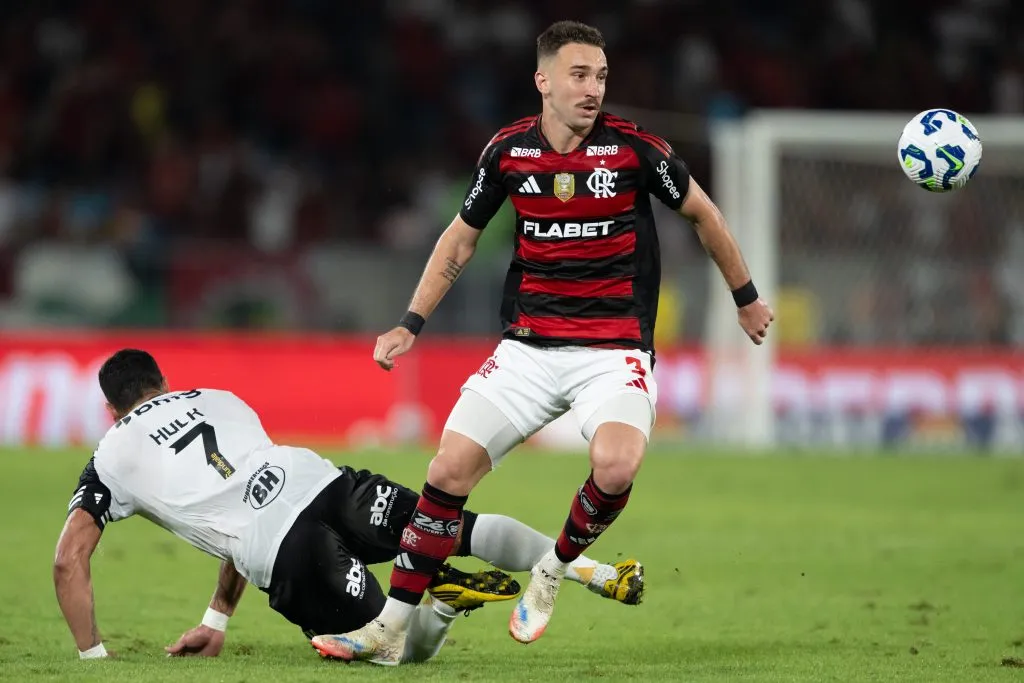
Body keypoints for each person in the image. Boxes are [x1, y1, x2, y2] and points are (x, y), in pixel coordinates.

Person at [311, 19, 774, 664]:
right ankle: (388, 627)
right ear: (544, 81)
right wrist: (409, 323)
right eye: (579, 75)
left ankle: (553, 568)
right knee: (446, 472)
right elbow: (460, 239)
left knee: (617, 466)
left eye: (601, 76)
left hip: (612, 353)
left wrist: (745, 297)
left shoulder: (636, 150)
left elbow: (704, 214)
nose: (593, 89)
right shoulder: (508, 153)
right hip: (527, 351)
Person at [54, 349, 645, 663]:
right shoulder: (217, 398)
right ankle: (595, 571)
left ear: (112, 409)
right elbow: (247, 481)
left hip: (283, 547)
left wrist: (94, 658)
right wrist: (215, 620)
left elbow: (68, 560)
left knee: (389, 649)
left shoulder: (111, 454)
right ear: (162, 382)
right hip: (328, 482)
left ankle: (441, 603)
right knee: (458, 526)